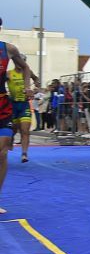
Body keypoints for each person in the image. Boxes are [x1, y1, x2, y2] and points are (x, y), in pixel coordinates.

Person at [0, 25, 41, 212]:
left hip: (3, 104)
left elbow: (26, 68)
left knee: (4, 147)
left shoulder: (8, 49)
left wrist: (28, 85)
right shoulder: (9, 73)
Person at [8, 63, 35, 163]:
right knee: (14, 128)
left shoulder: (27, 72)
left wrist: (36, 82)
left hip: (24, 104)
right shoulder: (9, 74)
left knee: (25, 130)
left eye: (23, 61)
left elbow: (35, 78)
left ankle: (24, 153)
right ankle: (11, 138)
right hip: (13, 105)